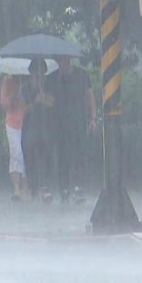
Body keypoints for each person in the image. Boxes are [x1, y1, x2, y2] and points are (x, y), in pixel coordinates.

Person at [44, 55, 98, 203]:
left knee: (80, 156)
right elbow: (48, 102)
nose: (63, 64)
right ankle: (64, 189)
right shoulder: (52, 78)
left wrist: (93, 118)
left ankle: (78, 188)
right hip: (59, 125)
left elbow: (90, 96)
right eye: (60, 61)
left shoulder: (82, 75)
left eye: (65, 60)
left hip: (79, 123)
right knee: (63, 158)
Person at [21, 58, 56, 203]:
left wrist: (44, 98)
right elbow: (23, 108)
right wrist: (35, 101)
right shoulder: (24, 88)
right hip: (29, 127)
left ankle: (45, 187)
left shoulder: (49, 85)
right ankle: (33, 187)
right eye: (36, 73)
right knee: (29, 158)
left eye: (41, 73)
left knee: (45, 157)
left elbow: (53, 103)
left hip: (45, 126)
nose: (39, 76)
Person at [0, 74, 29, 201]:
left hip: (28, 123)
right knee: (16, 154)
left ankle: (25, 187)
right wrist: (14, 94)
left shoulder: (30, 80)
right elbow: (4, 104)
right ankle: (17, 187)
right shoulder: (8, 81)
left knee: (26, 154)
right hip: (13, 123)